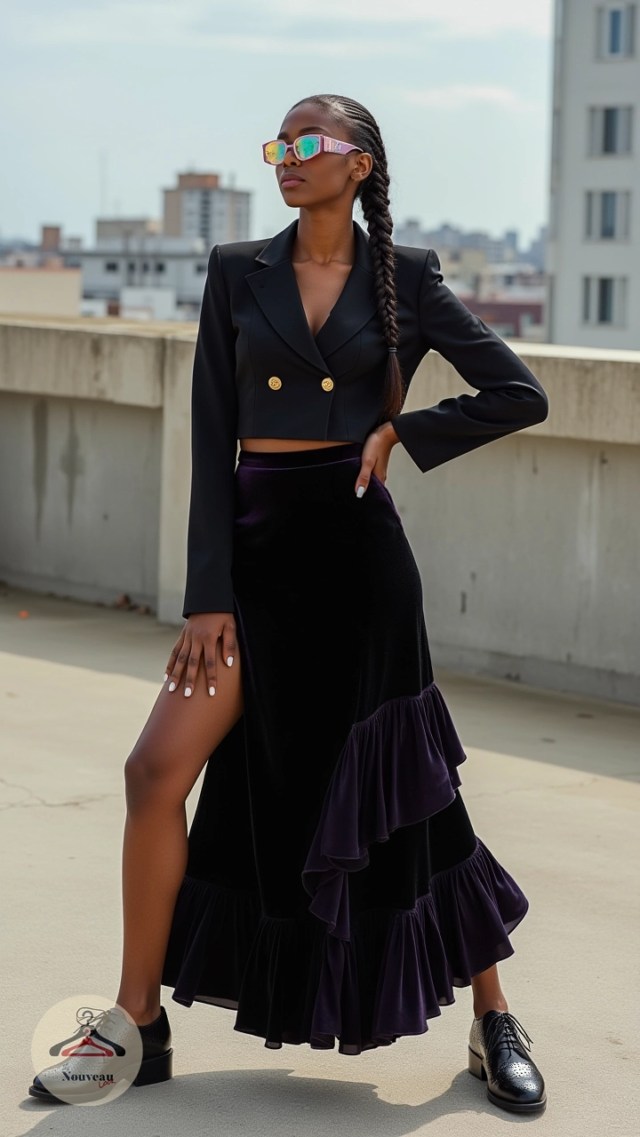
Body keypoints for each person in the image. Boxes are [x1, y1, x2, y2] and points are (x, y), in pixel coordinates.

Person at [31, 94, 549, 1114]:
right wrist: (207, 594)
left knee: (414, 796)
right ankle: (139, 1018)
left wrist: (402, 434)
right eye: (278, 144)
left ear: (360, 164)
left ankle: (493, 1015)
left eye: (309, 144)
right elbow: (210, 436)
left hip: (359, 567)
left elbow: (516, 391)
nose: (287, 159)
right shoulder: (236, 272)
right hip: (255, 560)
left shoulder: (405, 278)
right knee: (154, 769)